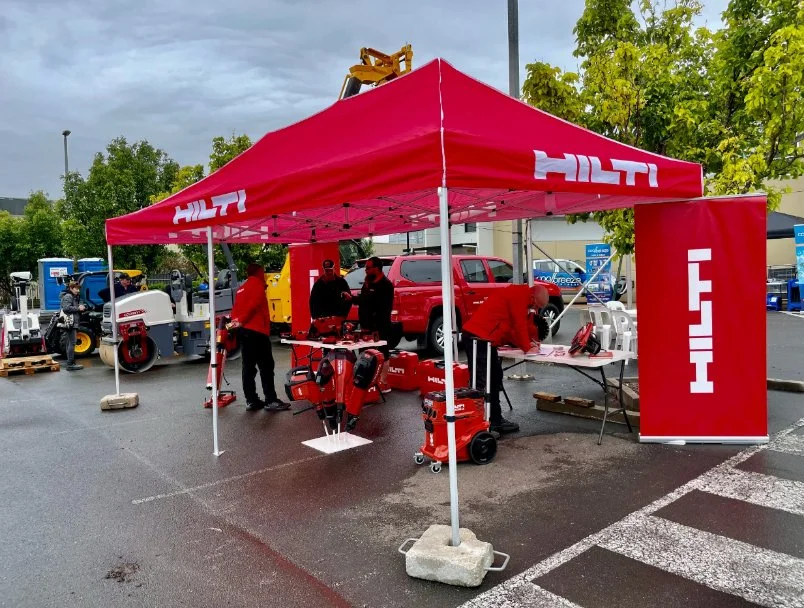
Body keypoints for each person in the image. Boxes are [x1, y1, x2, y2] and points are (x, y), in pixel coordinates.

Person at [461, 284, 550, 434]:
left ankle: (495, 419)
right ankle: (480, 423)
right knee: (482, 383)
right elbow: (519, 324)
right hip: (478, 339)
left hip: (484, 339)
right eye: (537, 305)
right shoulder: (519, 297)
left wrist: (527, 342)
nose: (535, 309)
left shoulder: (515, 296)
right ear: (533, 297)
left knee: (495, 378)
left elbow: (509, 329)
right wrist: (527, 348)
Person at [229, 263, 289, 412]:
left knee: (248, 367)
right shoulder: (256, 284)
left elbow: (236, 309)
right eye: (263, 272)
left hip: (244, 331)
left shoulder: (242, 288)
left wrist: (237, 323)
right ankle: (270, 399)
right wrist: (243, 319)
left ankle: (252, 400)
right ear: (259, 272)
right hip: (257, 331)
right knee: (266, 366)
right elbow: (253, 305)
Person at [342, 256, 393, 392]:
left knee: (382, 353)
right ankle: (368, 381)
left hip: (379, 326)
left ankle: (383, 382)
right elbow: (363, 300)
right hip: (365, 325)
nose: (366, 270)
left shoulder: (386, 285)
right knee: (365, 353)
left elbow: (382, 307)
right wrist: (351, 298)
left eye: (368, 268)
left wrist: (375, 324)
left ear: (377, 268)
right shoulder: (367, 283)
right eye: (366, 268)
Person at [60, 281, 86, 371]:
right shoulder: (68, 296)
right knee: (72, 342)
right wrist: (78, 308)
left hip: (72, 322)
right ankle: (70, 363)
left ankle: (70, 361)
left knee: (69, 343)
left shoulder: (73, 296)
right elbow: (66, 308)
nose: (78, 290)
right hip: (70, 323)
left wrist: (80, 306)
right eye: (76, 288)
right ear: (71, 288)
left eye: (78, 289)